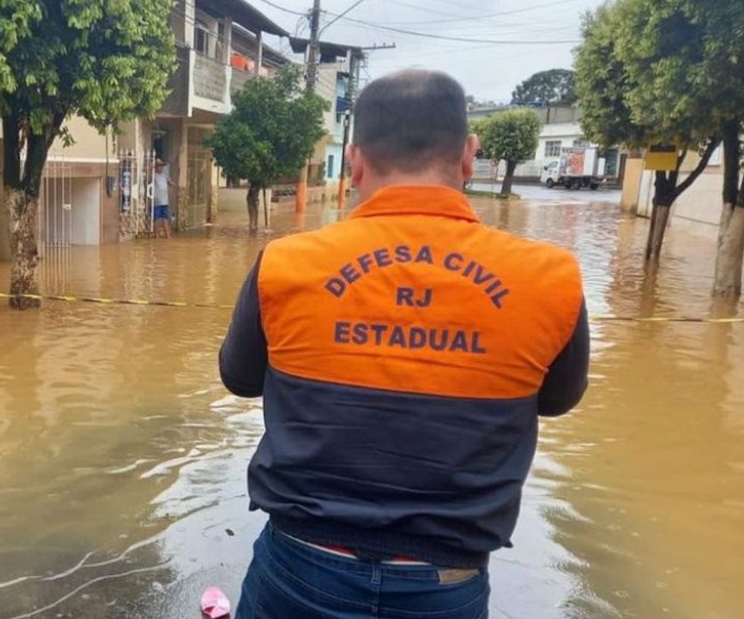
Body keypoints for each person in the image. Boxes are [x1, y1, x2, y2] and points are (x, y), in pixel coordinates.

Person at [219, 69, 589, 618]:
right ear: (469, 155)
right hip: (446, 583)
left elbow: (240, 378)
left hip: (300, 570)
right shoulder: (550, 277)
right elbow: (557, 400)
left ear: (355, 159)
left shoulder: (286, 264)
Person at [153, 157, 173, 238]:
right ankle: (156, 235)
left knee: (165, 218)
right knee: (157, 219)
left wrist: (172, 184)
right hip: (157, 201)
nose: (160, 167)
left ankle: (168, 235)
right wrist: (151, 168)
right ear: (156, 167)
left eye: (161, 166)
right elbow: (149, 180)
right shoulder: (154, 175)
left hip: (165, 201)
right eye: (159, 166)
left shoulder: (165, 175)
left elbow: (169, 182)